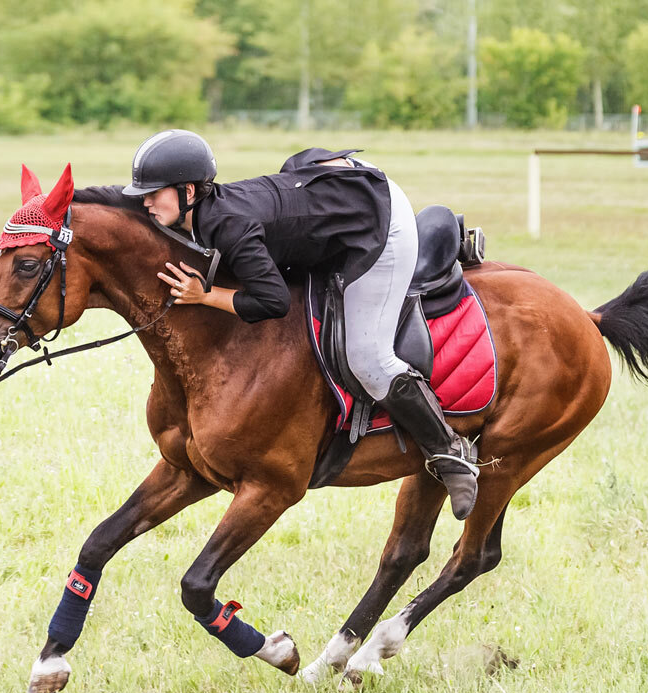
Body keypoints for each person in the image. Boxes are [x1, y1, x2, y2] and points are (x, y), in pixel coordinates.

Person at [120, 129, 479, 520]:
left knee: (369, 359)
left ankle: (449, 452)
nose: (145, 201)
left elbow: (272, 301)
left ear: (188, 191)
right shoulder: (192, 207)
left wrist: (205, 296)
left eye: (154, 192)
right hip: (332, 187)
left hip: (380, 220)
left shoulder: (230, 227)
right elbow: (112, 201)